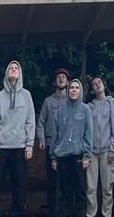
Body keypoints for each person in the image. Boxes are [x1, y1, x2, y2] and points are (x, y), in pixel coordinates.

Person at [0, 59, 35, 215]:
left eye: (16, 68)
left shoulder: (27, 96)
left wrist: (29, 145)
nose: (13, 69)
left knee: (20, 184)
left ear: (20, 73)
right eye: (10, 68)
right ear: (6, 73)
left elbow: (30, 122)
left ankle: (18, 212)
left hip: (20, 147)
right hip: (1, 147)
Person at [51, 76, 94, 217]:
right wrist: (53, 157)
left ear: (80, 91)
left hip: (79, 156)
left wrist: (87, 155)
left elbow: (89, 133)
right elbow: (55, 134)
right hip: (63, 156)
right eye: (72, 88)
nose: (74, 90)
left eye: (77, 88)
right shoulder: (60, 111)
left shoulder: (86, 109)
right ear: (68, 90)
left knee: (80, 191)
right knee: (65, 192)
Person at [38, 67, 71, 216]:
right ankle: (52, 211)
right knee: (52, 182)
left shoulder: (72, 101)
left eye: (64, 77)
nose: (61, 78)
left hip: (68, 147)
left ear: (68, 82)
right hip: (51, 146)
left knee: (67, 182)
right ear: (54, 82)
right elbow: (41, 122)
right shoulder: (48, 101)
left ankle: (66, 212)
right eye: (58, 77)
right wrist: (41, 138)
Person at [86, 75, 114, 217]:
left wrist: (112, 149)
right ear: (92, 90)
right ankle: (91, 214)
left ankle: (107, 214)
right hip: (91, 152)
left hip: (107, 151)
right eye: (94, 84)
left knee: (107, 187)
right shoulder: (89, 106)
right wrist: (86, 151)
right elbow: (86, 130)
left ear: (104, 85)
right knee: (91, 188)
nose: (97, 84)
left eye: (99, 82)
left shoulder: (112, 103)